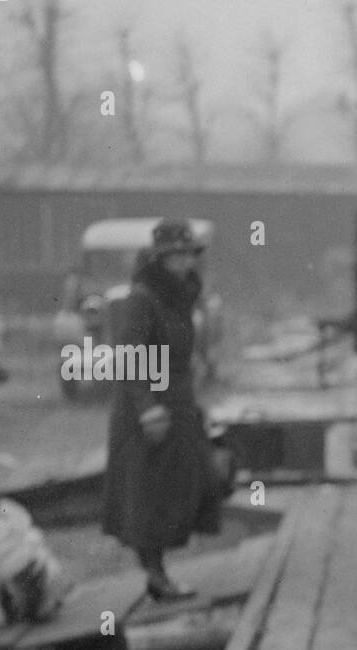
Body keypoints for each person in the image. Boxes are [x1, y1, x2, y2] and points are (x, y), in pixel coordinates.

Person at [101, 219, 223, 601]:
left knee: (195, 483)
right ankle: (156, 576)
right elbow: (130, 356)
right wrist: (147, 409)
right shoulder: (143, 297)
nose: (186, 261)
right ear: (160, 258)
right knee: (151, 498)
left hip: (178, 404)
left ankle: (158, 572)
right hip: (149, 411)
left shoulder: (180, 295)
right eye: (177, 255)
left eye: (189, 254)